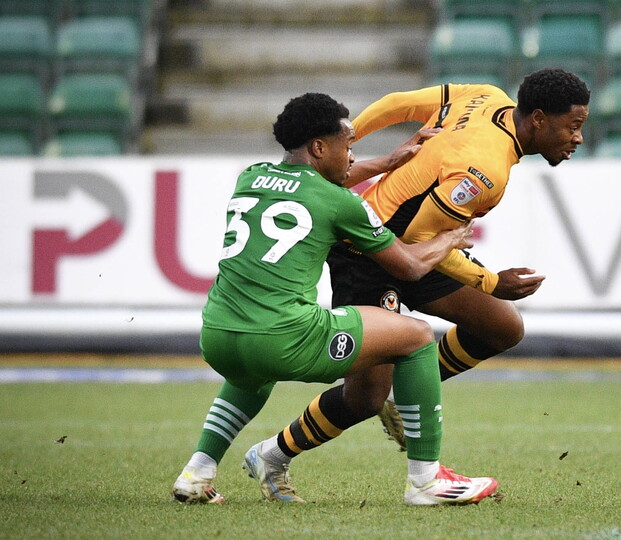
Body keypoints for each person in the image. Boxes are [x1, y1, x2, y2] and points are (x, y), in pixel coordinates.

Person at [171, 92, 499, 506]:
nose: (352, 155)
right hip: (283, 340)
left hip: (218, 336)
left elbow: (315, 181)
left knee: (249, 373)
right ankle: (426, 481)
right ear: (320, 147)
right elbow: (411, 267)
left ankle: (198, 470)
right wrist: (450, 237)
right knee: (416, 336)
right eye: (348, 145)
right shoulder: (343, 204)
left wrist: (388, 162)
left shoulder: (250, 176)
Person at [249, 68, 588, 464]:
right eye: (574, 126)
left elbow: (397, 104)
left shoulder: (485, 94)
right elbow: (416, 242)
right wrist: (490, 281)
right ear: (539, 119)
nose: (578, 137)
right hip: (369, 252)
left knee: (502, 326)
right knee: (364, 398)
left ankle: (401, 392)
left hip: (415, 250)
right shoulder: (486, 170)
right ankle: (271, 455)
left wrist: (349, 136)